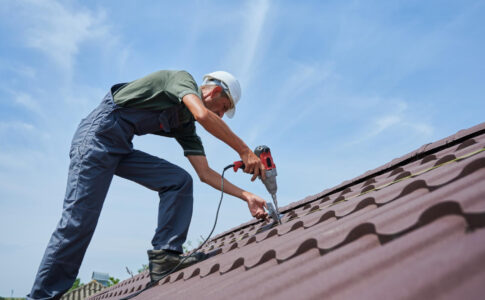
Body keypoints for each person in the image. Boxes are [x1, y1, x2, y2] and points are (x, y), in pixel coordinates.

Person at [28, 70, 269, 299]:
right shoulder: (181, 80)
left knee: (178, 181)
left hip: (120, 146)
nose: (221, 115)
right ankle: (42, 297)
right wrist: (244, 150)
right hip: (96, 137)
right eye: (224, 108)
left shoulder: (184, 124)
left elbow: (204, 173)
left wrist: (246, 195)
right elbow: (203, 115)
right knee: (78, 222)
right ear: (214, 92)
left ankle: (165, 256)